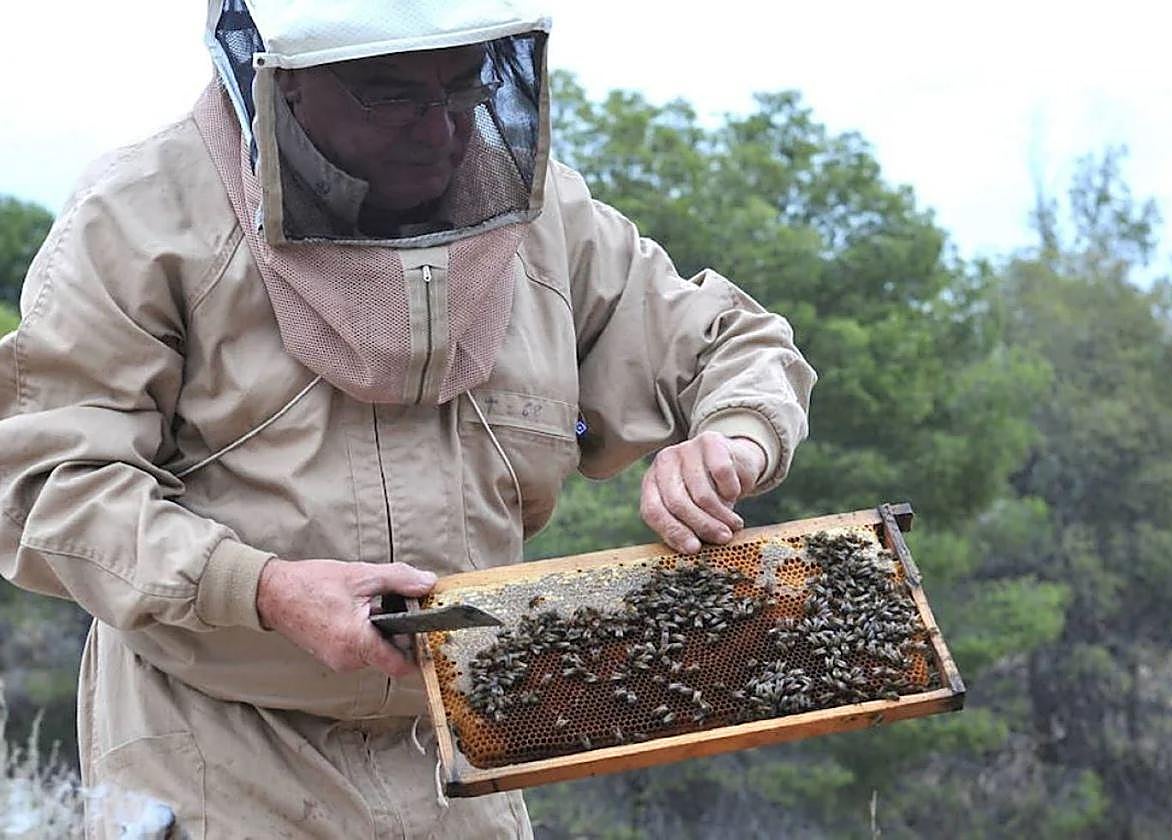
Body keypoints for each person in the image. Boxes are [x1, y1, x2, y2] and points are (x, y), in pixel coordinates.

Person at [0, 1, 816, 836]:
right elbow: (45, 485)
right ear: (282, 84)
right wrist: (266, 590)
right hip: (215, 752)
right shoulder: (139, 215)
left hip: (461, 750)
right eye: (389, 96)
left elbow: (730, 342)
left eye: (462, 88)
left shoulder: (543, 218)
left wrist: (732, 438)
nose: (438, 131)